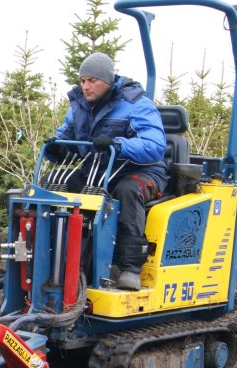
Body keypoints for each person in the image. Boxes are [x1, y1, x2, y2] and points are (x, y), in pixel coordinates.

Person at [44, 52, 166, 291]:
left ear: (107, 80)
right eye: (82, 81)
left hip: (140, 171)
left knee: (128, 190)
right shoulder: (79, 106)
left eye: (92, 80)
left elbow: (155, 146)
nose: (85, 86)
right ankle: (52, 257)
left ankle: (130, 268)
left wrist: (118, 144)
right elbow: (65, 134)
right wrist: (55, 148)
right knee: (51, 184)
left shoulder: (136, 104)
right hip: (98, 171)